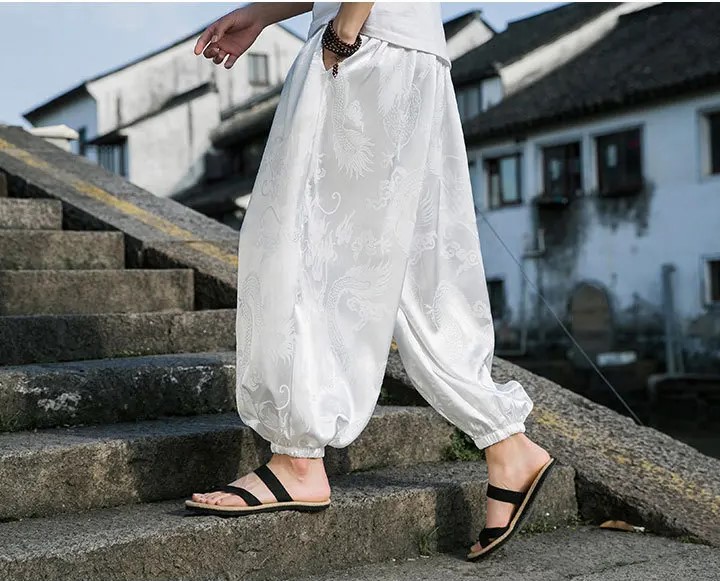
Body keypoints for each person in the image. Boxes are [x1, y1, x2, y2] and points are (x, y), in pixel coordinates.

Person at [185, 2, 556, 561]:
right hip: (406, 54)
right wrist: (264, 14)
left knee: (301, 248)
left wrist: (343, 33)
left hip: (365, 48)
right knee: (413, 269)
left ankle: (297, 460)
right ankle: (508, 444)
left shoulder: (351, 41)